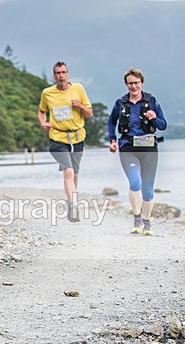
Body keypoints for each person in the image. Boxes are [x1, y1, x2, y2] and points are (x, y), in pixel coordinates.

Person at [107, 68, 167, 235]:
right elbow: (111, 122)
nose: (133, 86)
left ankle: (147, 223)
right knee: (135, 183)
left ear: (142, 83)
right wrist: (112, 140)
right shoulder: (120, 103)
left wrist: (154, 117)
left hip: (149, 149)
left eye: (136, 83)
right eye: (130, 83)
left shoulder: (152, 101)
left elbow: (163, 125)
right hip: (128, 148)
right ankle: (137, 219)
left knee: (148, 190)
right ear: (126, 84)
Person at [37, 62, 93, 222]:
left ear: (68, 74)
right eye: (57, 73)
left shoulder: (78, 89)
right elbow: (41, 111)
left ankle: (71, 201)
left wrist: (79, 105)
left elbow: (89, 114)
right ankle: (74, 206)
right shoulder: (47, 93)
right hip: (57, 138)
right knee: (68, 171)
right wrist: (43, 122)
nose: (61, 75)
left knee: (74, 174)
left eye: (63, 72)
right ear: (54, 76)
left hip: (77, 138)